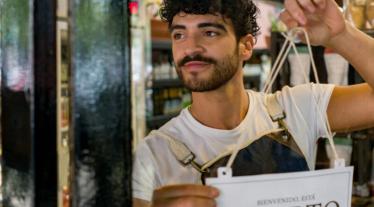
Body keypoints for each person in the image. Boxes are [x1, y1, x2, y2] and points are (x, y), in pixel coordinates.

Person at [133, 0, 374, 206]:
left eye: (209, 32)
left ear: (246, 46)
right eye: (179, 34)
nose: (190, 47)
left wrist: (341, 35)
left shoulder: (297, 107)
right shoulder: (154, 153)